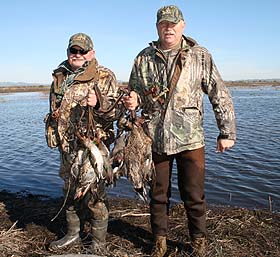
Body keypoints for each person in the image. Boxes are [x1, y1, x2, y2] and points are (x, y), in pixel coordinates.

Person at [123, 5, 236, 257]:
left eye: (173, 23)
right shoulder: (143, 58)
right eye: (163, 23)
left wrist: (226, 132)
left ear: (183, 25)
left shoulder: (200, 56)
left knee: (194, 195)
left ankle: (198, 242)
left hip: (191, 139)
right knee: (158, 195)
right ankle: (159, 242)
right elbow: (136, 95)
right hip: (155, 139)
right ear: (157, 27)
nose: (168, 28)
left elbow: (219, 93)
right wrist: (132, 101)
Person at [45, 33, 123, 251]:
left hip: (94, 147)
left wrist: (99, 104)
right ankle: (73, 234)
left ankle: (98, 242)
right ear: (68, 52)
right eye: (74, 51)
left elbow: (116, 113)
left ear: (92, 52)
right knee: (70, 191)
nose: (77, 55)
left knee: (95, 193)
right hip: (68, 146)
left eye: (82, 51)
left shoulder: (104, 76)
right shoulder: (60, 76)